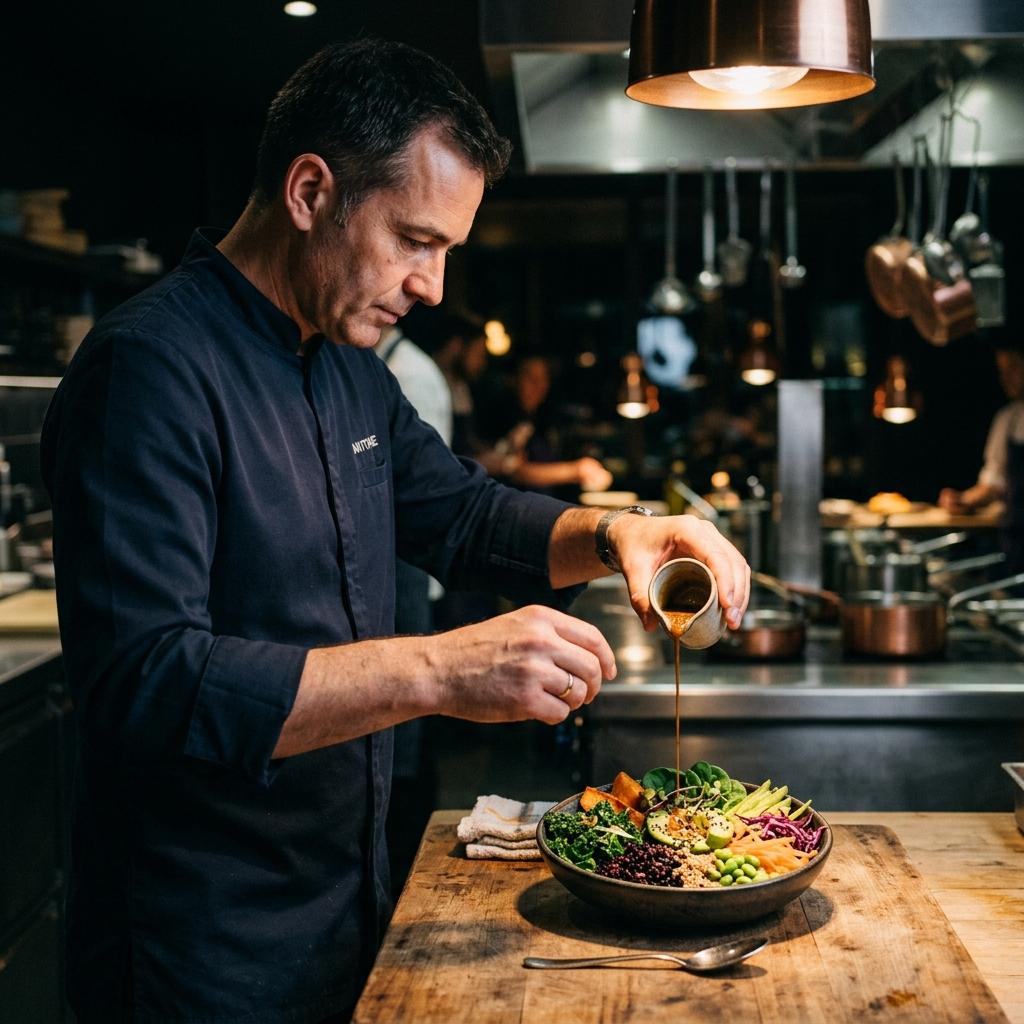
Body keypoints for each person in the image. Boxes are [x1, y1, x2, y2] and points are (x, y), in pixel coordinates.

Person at [40, 39, 750, 1024]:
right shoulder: (148, 369)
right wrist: (442, 672)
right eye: (416, 239)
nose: (434, 286)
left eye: (448, 249)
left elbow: (459, 511)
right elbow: (147, 681)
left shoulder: (344, 361)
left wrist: (619, 531)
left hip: (347, 899)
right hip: (197, 945)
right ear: (308, 191)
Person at [938, 341, 1024, 572]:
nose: (1006, 377)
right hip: (1017, 544)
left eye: (1014, 367)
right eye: (1002, 370)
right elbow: (993, 484)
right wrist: (963, 500)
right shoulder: (1009, 419)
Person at [481, 354, 614, 497]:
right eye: (530, 378)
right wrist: (576, 470)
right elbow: (515, 471)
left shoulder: (544, 418)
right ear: (513, 380)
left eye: (543, 378)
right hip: (515, 508)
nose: (538, 385)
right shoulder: (502, 418)